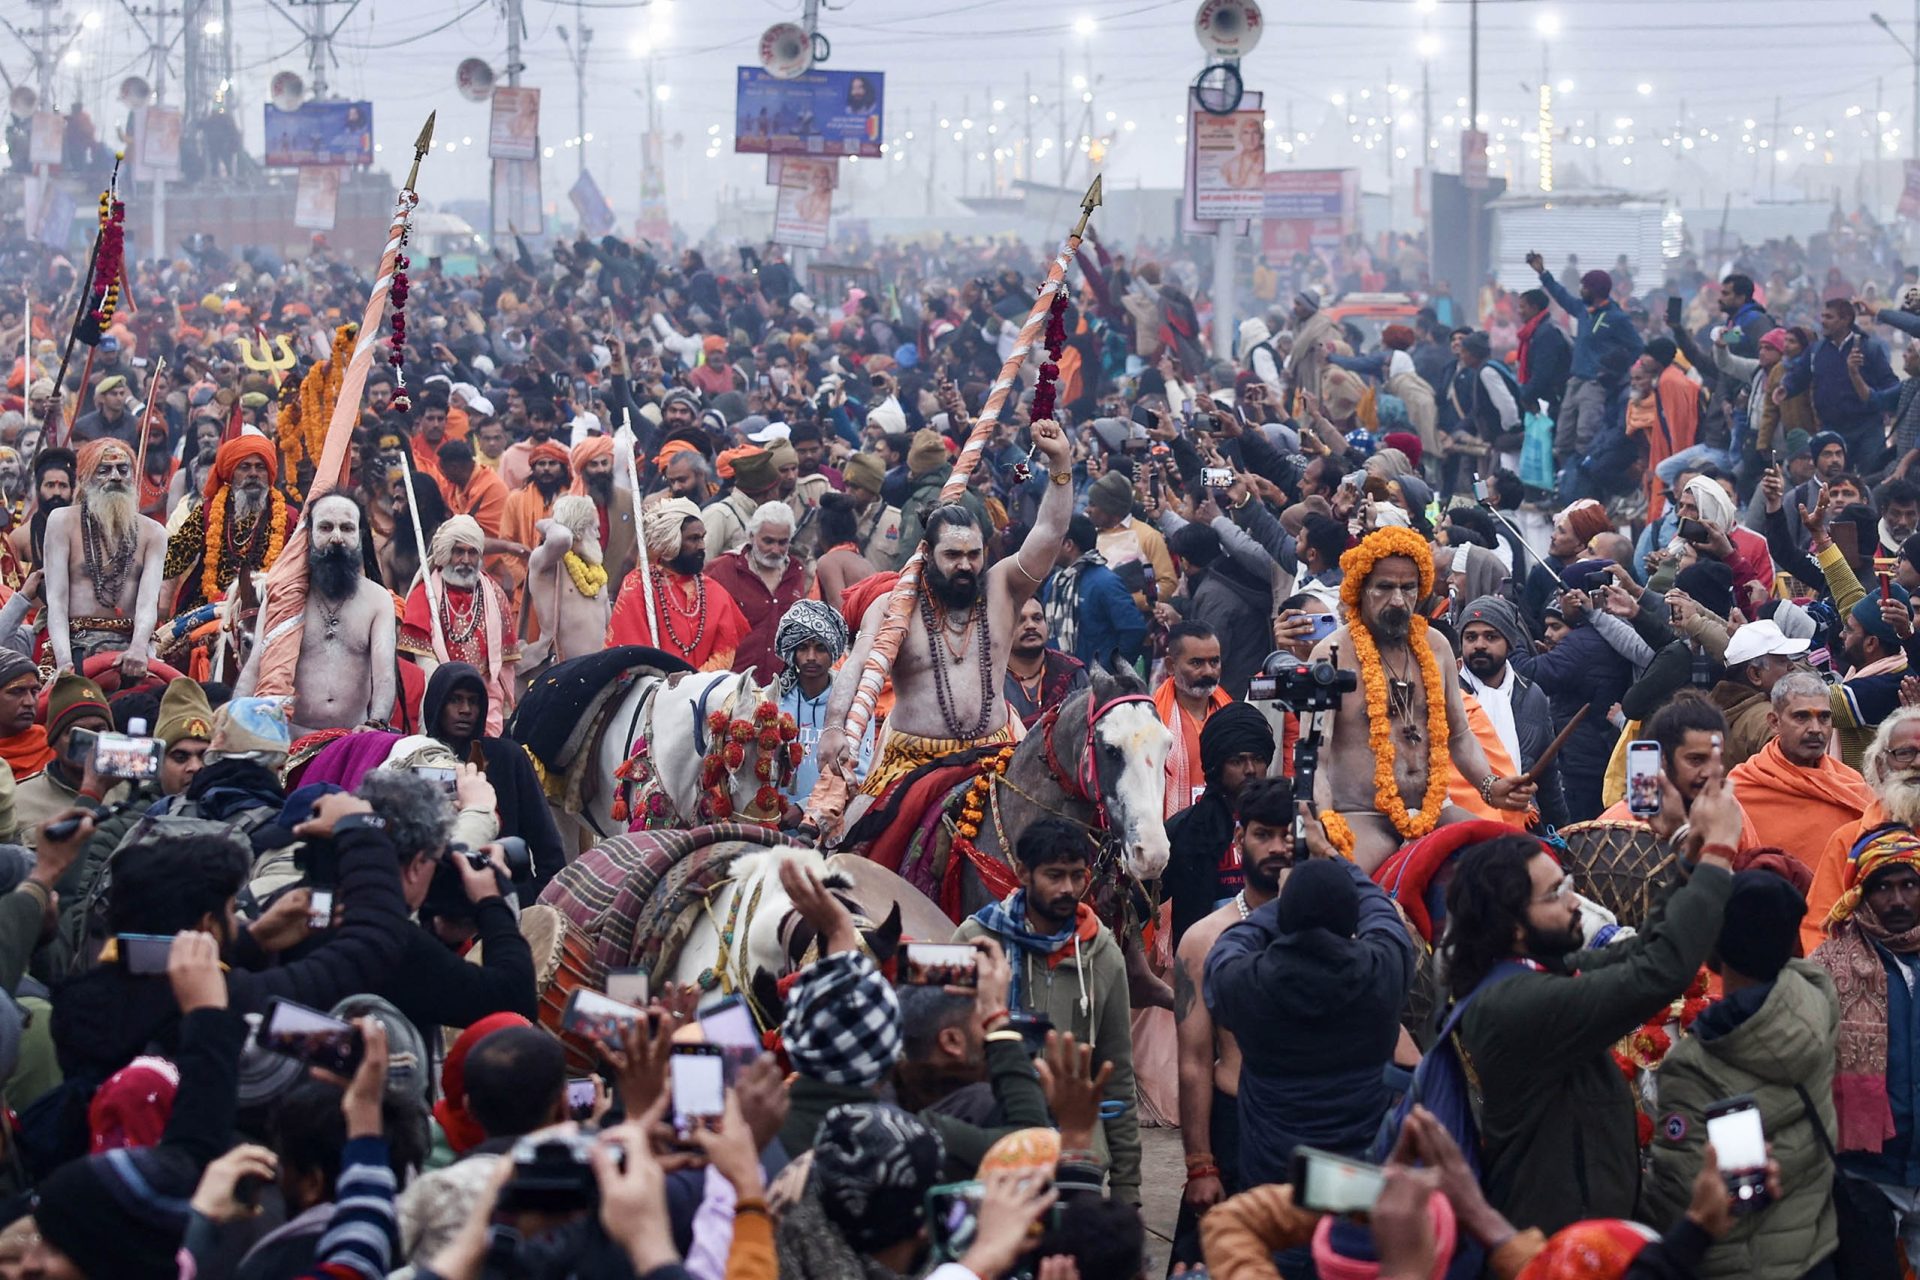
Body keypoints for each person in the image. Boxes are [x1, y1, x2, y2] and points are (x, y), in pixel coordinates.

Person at [1447, 769, 1739, 1236]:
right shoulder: (1515, 1003)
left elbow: (1644, 950)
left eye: (1567, 885)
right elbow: (1661, 970)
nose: (1574, 905)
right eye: (1556, 895)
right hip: (1557, 1245)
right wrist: (1721, 851)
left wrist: (1689, 855)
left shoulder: (1537, 969)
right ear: (1514, 927)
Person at [822, 416, 1072, 797]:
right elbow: (855, 668)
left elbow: (1050, 532)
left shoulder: (1003, 588)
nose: (965, 565)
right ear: (927, 553)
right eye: (952, 554)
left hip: (997, 756)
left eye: (973, 555)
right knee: (863, 842)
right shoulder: (895, 605)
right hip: (912, 766)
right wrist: (835, 728)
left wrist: (1061, 464)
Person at [1643, 870, 1839, 1280]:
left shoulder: (1694, 1064)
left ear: (1716, 949)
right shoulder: (1817, 998)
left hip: (1739, 1266)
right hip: (1817, 1248)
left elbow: (1680, 1194)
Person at [1311, 527, 1534, 870]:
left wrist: (1491, 786)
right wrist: (1326, 823)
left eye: (1408, 587)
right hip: (1363, 815)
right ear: (1361, 589)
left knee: (1515, 862)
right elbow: (1317, 760)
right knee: (1343, 880)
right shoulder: (1332, 655)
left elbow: (1459, 735)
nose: (1398, 600)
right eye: (1385, 587)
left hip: (1435, 813)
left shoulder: (1437, 646)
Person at [1204, 837, 1415, 1193]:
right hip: (1357, 1188)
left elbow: (1233, 942)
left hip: (1275, 1186)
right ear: (1351, 920)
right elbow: (1379, 911)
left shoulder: (1248, 982)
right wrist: (1334, 859)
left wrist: (1286, 902)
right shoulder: (1382, 971)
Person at [956, 815, 1142, 1204]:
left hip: (1077, 1163)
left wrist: (1127, 1190)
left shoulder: (1104, 953)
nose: (1068, 888)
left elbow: (1118, 1074)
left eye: (1077, 875)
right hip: (993, 1152)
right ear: (1023, 873)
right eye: (1054, 876)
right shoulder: (976, 942)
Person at [1168, 777, 1294, 1268]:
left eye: (1289, 834)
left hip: (1312, 1119)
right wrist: (1200, 1164)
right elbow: (1195, 1060)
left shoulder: (1336, 927)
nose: (1279, 847)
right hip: (1235, 1123)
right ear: (1239, 840)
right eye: (1264, 834)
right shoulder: (1205, 940)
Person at [1808, 823, 1920, 1274]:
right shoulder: (1825, 969)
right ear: (1860, 894)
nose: (1898, 900)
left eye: (1910, 884)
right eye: (1883, 887)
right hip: (1863, 1174)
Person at [235, 493, 397, 736]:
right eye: (325, 527)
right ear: (308, 535)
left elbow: (384, 674)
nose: (336, 538)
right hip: (290, 736)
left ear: (360, 536)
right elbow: (255, 665)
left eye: (347, 528)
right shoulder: (285, 596)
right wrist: (234, 721)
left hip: (353, 739)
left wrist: (376, 723)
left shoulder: (378, 600)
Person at [422, 661, 566, 893]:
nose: (465, 709)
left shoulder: (509, 757)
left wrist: (540, 899)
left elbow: (546, 841)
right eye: (455, 699)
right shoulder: (420, 758)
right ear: (437, 704)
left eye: (473, 701)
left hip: (508, 894)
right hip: (442, 898)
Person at [44, 439, 167, 679]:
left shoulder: (154, 533)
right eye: (104, 470)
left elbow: (147, 603)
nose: (115, 477)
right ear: (85, 479)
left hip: (132, 645)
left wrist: (139, 648)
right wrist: (65, 663)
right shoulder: (61, 522)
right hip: (76, 642)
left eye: (123, 470)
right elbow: (56, 601)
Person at [1729, 670, 1874, 872]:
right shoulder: (1742, 788)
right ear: (1774, 722)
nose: (1815, 728)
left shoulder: (1850, 784)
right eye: (1801, 717)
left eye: (1824, 717)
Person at [1164, 704, 1277, 948]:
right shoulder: (1185, 830)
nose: (1250, 770)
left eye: (1257, 759)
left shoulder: (1287, 824)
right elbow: (1138, 904)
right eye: (1237, 761)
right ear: (1217, 766)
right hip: (1207, 958)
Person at [1456, 594, 1571, 829]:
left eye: (1491, 637)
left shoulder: (1531, 695)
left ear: (1509, 643)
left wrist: (1560, 832)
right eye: (1471, 637)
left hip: (1523, 823)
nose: (1479, 644)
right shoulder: (1448, 695)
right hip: (1461, 825)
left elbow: (1547, 774)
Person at [398, 515, 518, 735]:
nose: (465, 560)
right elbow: (425, 666)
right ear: (445, 555)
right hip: (441, 694)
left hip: (483, 697)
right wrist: (447, 693)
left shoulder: (495, 594)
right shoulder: (424, 595)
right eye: (458, 551)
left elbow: (503, 668)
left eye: (472, 553)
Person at [1525, 250, 1645, 466]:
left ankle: (1583, 486)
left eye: (1584, 286)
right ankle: (1564, 481)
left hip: (1595, 384)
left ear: (1596, 290)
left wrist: (1616, 370)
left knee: (1586, 434)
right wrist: (1543, 273)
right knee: (1563, 434)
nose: (1580, 290)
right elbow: (1561, 296)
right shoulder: (1583, 310)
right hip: (1575, 380)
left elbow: (1637, 346)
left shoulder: (1617, 318)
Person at [604, 496, 748, 670]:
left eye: (703, 537)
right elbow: (632, 652)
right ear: (671, 541)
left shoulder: (715, 592)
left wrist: (692, 683)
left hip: (705, 691)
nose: (702, 546)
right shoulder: (639, 585)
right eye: (694, 539)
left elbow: (725, 652)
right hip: (654, 689)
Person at [162, 435, 293, 613]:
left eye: (260, 467)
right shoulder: (208, 512)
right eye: (245, 467)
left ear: (269, 473)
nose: (253, 473)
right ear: (231, 474)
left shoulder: (289, 518)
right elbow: (174, 558)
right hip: (210, 610)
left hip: (269, 610)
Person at [774, 600, 872, 818]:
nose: (811, 657)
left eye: (820, 648)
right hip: (772, 822)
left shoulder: (855, 703)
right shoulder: (771, 699)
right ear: (791, 651)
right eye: (802, 648)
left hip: (830, 823)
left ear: (834, 650)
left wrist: (804, 808)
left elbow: (858, 773)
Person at [704, 501, 806, 679]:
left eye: (783, 542)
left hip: (778, 686)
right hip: (729, 683)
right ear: (751, 536)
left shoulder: (796, 572)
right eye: (768, 541)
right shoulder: (723, 569)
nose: (775, 549)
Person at [521, 493, 611, 673]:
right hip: (561, 672)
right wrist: (547, 524)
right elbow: (561, 538)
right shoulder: (547, 563)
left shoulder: (596, 572)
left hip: (598, 672)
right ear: (578, 531)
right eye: (594, 528)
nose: (599, 534)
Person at [1045, 514, 1145, 670]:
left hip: (1098, 685)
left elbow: (1133, 630)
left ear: (1068, 545)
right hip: (1062, 681)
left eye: (1053, 540)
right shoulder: (1055, 583)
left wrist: (1111, 671)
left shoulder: (1105, 582)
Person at [1156, 621, 1233, 817]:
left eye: (1214, 662)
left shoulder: (1231, 714)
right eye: (1196, 663)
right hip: (1173, 832)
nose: (1208, 671)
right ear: (1171, 666)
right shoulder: (1153, 721)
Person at [1711, 618, 1811, 766]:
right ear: (1755, 674)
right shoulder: (1767, 719)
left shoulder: (1722, 707)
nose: (1792, 666)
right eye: (1781, 660)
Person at [1002, 597, 1088, 728]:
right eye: (1020, 620)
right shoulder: (990, 681)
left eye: (1037, 618)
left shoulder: (1071, 673)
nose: (1030, 625)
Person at [701, 447, 782, 564]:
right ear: (769, 493)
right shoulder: (719, 514)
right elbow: (703, 563)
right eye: (777, 489)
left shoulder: (766, 516)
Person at [841, 451, 903, 570]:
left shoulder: (897, 521)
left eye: (855, 487)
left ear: (872, 489)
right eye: (846, 485)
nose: (848, 492)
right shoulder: (837, 516)